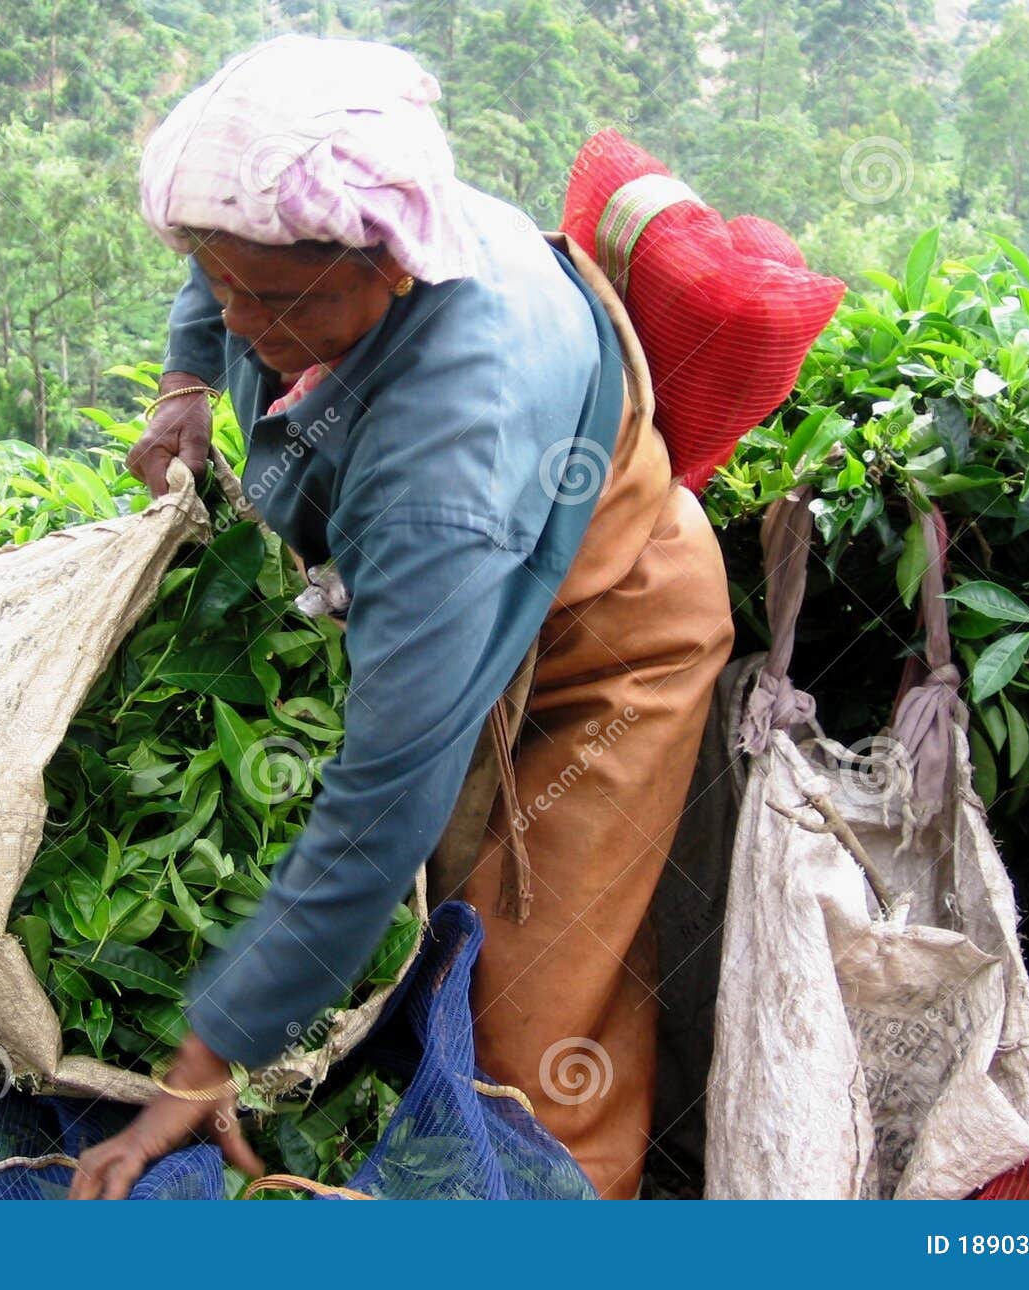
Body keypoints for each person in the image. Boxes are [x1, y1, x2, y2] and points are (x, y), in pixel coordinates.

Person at [69, 35, 733, 1201]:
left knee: (525, 1021)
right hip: (474, 584)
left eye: (276, 302)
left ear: (392, 264)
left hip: (606, 638)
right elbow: (223, 270)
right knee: (412, 960)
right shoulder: (302, 229)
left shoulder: (445, 457)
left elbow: (383, 797)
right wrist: (185, 381)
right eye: (223, 286)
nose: (243, 323)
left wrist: (207, 1057)